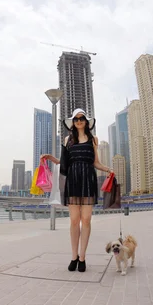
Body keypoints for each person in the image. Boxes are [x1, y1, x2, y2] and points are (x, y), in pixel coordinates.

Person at [41, 108, 112, 272]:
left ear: (87, 121)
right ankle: (73, 256)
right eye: (76, 119)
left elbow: (96, 162)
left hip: (88, 179)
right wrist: (52, 158)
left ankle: (82, 257)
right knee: (74, 220)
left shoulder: (94, 139)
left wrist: (108, 169)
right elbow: (65, 162)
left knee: (86, 220)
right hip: (73, 180)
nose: (79, 121)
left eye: (81, 118)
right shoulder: (68, 139)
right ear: (72, 122)